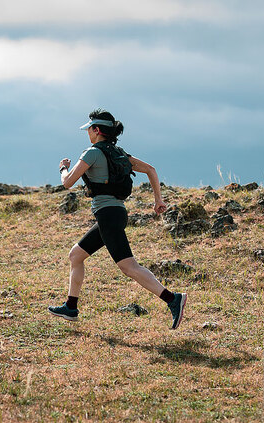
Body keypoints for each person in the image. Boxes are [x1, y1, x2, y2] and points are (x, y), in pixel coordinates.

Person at [48, 109, 187, 329]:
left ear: (96, 130)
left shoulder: (92, 153)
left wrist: (63, 168)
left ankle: (173, 299)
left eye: (89, 130)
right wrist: (157, 200)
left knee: (129, 267)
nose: (88, 134)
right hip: (116, 214)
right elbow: (150, 169)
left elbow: (67, 183)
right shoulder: (119, 153)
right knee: (76, 255)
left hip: (107, 216)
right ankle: (71, 307)